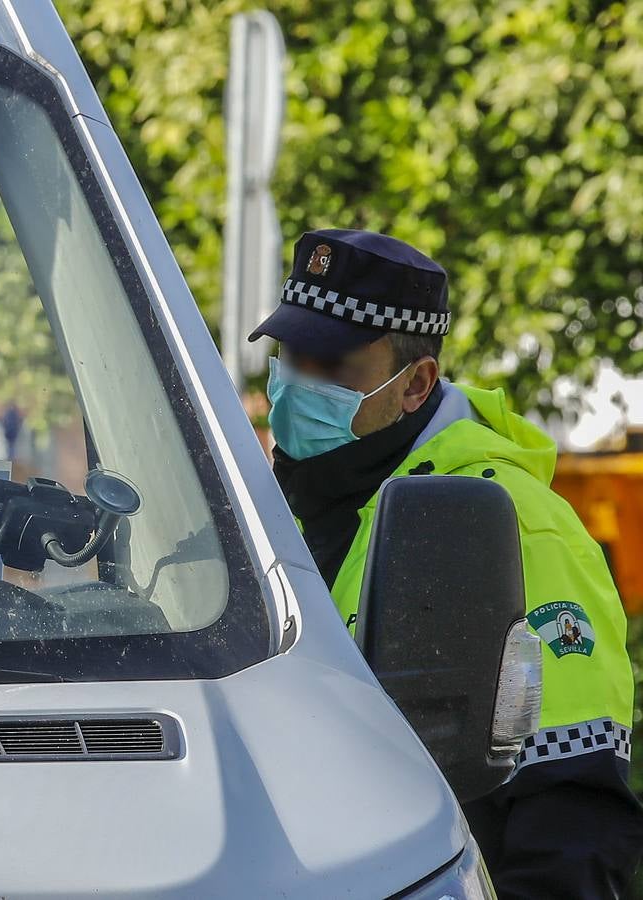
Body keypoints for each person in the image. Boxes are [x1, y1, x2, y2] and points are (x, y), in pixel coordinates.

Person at [249, 229, 643, 899]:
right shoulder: (294, 503)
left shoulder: (517, 524)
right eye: (291, 357)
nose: (300, 384)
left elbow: (571, 816)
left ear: (417, 384)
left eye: (335, 365)